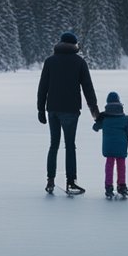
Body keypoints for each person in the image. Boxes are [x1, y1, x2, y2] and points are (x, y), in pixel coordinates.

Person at [37, 31, 100, 194]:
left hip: (52, 109)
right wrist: (95, 111)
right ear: (74, 45)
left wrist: (40, 109)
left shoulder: (50, 61)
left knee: (53, 145)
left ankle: (50, 181)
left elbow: (42, 86)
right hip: (71, 110)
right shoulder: (79, 62)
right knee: (70, 145)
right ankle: (71, 182)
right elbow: (88, 88)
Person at [91, 91, 128, 198]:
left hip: (108, 148)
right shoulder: (124, 120)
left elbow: (95, 127)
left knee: (109, 165)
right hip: (121, 148)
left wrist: (96, 125)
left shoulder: (105, 118)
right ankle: (122, 185)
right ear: (119, 104)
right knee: (121, 166)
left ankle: (108, 187)